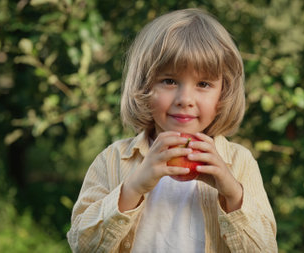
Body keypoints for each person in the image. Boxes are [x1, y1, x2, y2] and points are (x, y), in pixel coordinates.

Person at [67, 8, 277, 253]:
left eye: (203, 84)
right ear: (144, 85)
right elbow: (82, 245)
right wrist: (132, 188)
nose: (185, 99)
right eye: (169, 81)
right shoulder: (113, 160)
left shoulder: (239, 164)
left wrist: (231, 192)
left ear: (224, 93)